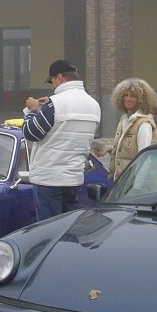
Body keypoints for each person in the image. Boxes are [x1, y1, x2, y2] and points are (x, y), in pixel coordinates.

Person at [22, 59, 101, 221]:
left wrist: (33, 111)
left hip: (49, 179)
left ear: (59, 77)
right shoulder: (94, 105)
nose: (53, 86)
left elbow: (31, 133)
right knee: (66, 226)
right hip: (74, 177)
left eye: (52, 81)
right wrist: (46, 108)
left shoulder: (55, 103)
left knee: (48, 229)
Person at [97, 77, 157, 179]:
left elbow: (145, 158)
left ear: (142, 100)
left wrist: (137, 186)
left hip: (133, 181)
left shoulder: (144, 124)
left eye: (133, 96)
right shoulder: (124, 119)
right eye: (126, 95)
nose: (128, 99)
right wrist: (110, 150)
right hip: (121, 180)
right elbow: (127, 153)